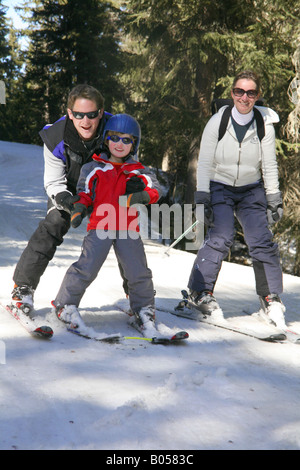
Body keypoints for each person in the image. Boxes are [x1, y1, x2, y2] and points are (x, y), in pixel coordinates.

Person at [187, 70, 286, 328]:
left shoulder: (263, 123)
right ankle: (200, 292)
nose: (245, 97)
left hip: (251, 189)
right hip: (219, 186)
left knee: (261, 239)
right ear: (232, 94)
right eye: (240, 91)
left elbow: (270, 164)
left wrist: (273, 196)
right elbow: (205, 161)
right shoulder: (218, 121)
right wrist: (202, 196)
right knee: (221, 236)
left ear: (257, 96)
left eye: (251, 92)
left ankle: (270, 297)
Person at [51, 113, 161, 332]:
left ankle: (143, 310)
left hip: (128, 228)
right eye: (114, 138)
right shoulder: (93, 168)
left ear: (134, 144)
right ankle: (65, 305)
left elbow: (155, 189)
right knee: (86, 267)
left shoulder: (138, 170)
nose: (120, 144)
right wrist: (79, 208)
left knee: (138, 271)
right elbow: (84, 193)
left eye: (127, 140)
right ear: (105, 140)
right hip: (100, 226)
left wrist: (142, 195)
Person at [11, 84, 113, 313]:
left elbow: (129, 162)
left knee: (123, 229)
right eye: (78, 115)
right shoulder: (55, 135)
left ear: (101, 112)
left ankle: (137, 296)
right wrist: (68, 201)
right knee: (54, 223)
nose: (85, 121)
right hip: (68, 190)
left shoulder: (116, 129)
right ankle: (23, 288)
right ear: (69, 113)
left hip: (104, 190)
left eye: (91, 115)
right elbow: (53, 182)